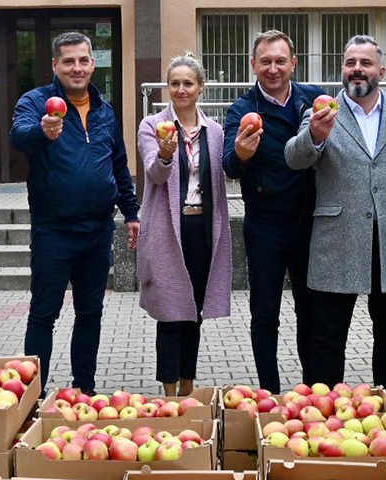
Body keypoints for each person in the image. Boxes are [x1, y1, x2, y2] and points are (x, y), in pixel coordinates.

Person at [285, 35, 386, 408]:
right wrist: (315, 136)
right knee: (327, 337)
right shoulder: (321, 113)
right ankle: (324, 408)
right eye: (350, 62)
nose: (357, 69)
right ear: (342, 69)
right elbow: (294, 158)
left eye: (366, 63)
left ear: (381, 71)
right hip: (336, 240)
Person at [10, 32, 140, 395]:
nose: (77, 68)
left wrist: (131, 212)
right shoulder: (37, 102)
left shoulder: (104, 110)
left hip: (98, 230)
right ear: (55, 65)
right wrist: (42, 131)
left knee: (90, 312)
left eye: (83, 60)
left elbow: (118, 164)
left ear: (93, 64)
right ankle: (33, 397)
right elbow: (19, 136)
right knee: (44, 313)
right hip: (54, 231)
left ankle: (84, 390)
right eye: (68, 61)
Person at [222, 30, 326, 393]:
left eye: (281, 61)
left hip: (310, 223)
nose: (273, 69)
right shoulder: (242, 109)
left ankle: (311, 390)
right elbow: (228, 165)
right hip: (265, 226)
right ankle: (269, 393)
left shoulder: (313, 99)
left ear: (293, 63)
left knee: (310, 312)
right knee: (265, 314)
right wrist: (241, 154)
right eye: (265, 61)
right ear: (253, 65)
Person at [136, 54, 232, 397]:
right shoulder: (152, 125)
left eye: (188, 83)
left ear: (200, 87)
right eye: (174, 83)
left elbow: (223, 177)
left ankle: (188, 390)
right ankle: (168, 394)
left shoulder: (215, 132)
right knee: (170, 314)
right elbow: (154, 174)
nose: (181, 89)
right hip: (167, 231)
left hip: (202, 230)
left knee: (193, 313)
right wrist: (165, 154)